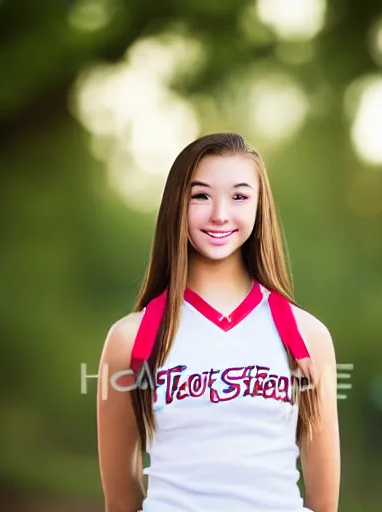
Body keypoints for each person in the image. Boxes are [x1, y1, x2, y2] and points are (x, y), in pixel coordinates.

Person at [97, 133, 340, 512]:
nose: (220, 214)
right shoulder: (131, 338)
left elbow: (324, 501)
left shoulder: (308, 336)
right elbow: (121, 499)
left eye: (239, 196)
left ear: (261, 208)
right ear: (177, 204)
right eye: (201, 195)